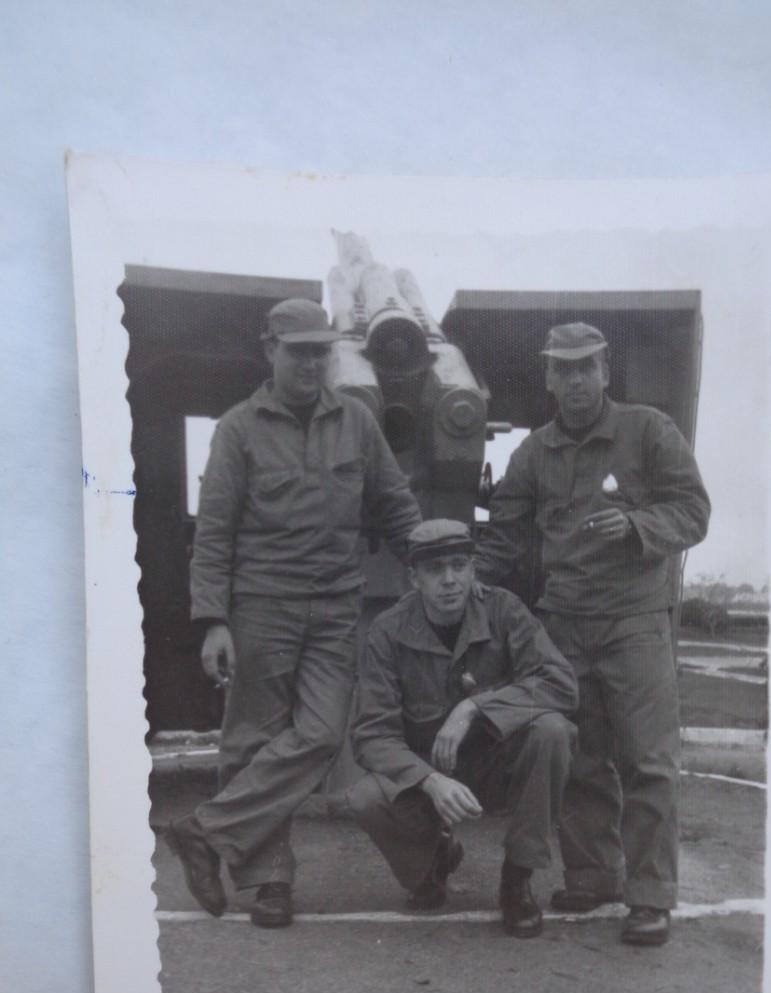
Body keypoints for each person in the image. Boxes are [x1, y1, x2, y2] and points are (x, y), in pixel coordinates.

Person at [165, 298, 421, 928]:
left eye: (319, 351)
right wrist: (213, 622)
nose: (310, 363)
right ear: (268, 352)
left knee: (324, 734)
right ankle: (268, 880)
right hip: (261, 607)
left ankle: (205, 831)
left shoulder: (357, 421)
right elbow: (215, 534)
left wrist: (436, 557)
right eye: (298, 350)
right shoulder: (237, 430)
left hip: (335, 607)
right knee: (252, 740)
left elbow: (395, 503)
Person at [475, 322, 711, 946]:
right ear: (549, 379)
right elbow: (503, 533)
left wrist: (636, 525)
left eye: (586, 367)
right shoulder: (531, 454)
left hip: (634, 622)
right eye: (563, 369)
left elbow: (694, 511)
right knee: (580, 759)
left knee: (648, 760)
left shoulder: (649, 430)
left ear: (606, 371)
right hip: (562, 623)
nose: (575, 380)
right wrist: (466, 589)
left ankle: (651, 896)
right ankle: (592, 875)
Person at [348, 519, 578, 938]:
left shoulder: (504, 610)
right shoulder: (387, 632)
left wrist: (474, 706)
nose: (449, 580)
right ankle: (433, 859)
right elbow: (370, 735)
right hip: (430, 775)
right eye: (435, 570)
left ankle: (517, 878)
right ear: (414, 578)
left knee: (552, 731)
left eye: (459, 565)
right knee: (366, 797)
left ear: (473, 569)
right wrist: (430, 780)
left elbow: (560, 683)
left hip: (497, 767)